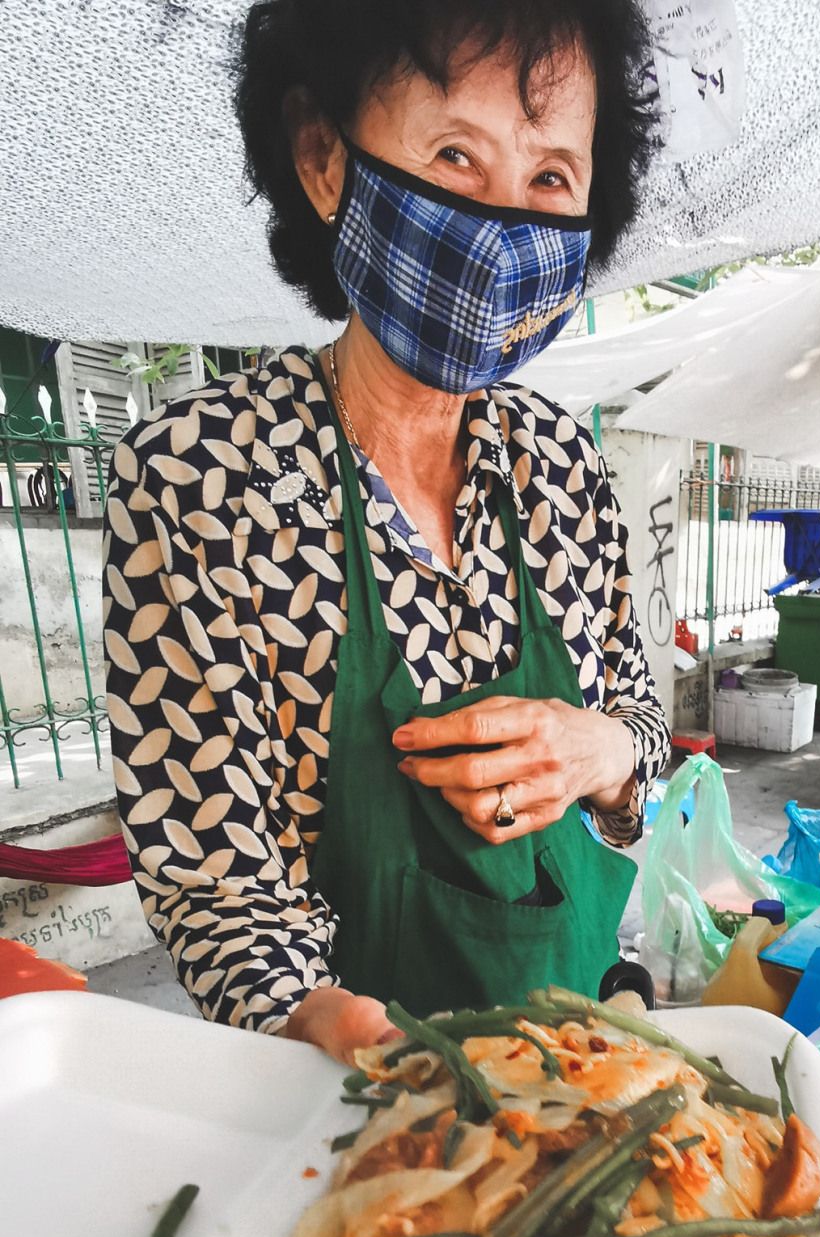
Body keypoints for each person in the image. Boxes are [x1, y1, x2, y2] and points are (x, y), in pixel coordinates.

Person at [103, 0, 669, 1082]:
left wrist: (599, 749)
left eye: (551, 178)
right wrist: (326, 1027)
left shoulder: (566, 466)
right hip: (351, 1106)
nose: (507, 230)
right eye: (457, 154)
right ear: (324, 158)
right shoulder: (201, 480)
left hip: (596, 1066)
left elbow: (638, 724)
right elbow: (216, 886)